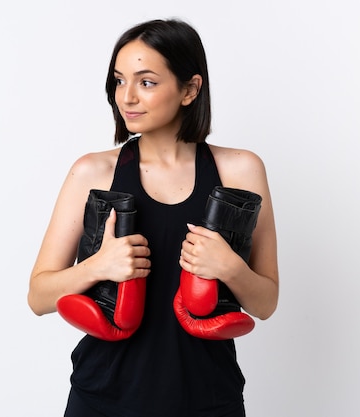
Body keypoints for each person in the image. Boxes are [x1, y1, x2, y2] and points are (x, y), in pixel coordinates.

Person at [28, 18, 279, 417]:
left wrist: (231, 268)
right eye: (119, 80)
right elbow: (38, 297)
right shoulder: (91, 172)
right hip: (102, 400)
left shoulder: (241, 170)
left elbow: (266, 303)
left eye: (146, 82)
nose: (126, 97)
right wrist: (97, 266)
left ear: (190, 89)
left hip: (209, 400)